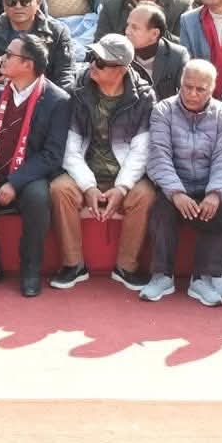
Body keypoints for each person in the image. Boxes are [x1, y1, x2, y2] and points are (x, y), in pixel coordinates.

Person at [0, 32, 71, 296]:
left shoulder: (57, 100)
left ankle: (30, 270)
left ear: (28, 64)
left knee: (38, 198)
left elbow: (52, 154)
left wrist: (15, 182)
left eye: (9, 54)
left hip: (29, 174)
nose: (2, 58)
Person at [47, 34, 156, 292]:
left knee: (145, 194)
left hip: (125, 173)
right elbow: (70, 148)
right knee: (59, 189)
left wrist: (121, 188)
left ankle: (126, 267)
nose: (92, 64)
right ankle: (73, 265)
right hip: (84, 172)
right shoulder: (78, 91)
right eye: (92, 57)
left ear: (121, 69)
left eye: (100, 61)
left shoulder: (144, 97)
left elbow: (141, 152)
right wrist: (88, 187)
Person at [141, 59, 222, 305]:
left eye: (200, 89)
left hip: (207, 185)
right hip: (174, 184)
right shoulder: (163, 111)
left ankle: (203, 278)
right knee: (161, 209)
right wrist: (176, 193)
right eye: (187, 86)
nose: (192, 94)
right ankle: (162, 275)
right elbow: (159, 156)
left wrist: (215, 194)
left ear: (212, 89)